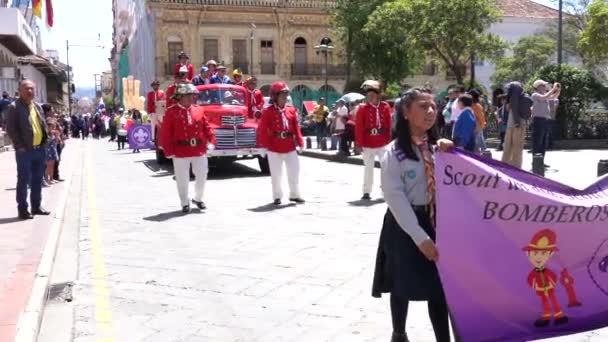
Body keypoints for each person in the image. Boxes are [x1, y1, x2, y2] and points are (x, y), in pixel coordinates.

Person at [371, 88, 454, 342]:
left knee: (439, 288)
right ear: (406, 113)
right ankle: (399, 333)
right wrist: (420, 238)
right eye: (422, 106)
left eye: (433, 106)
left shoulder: (440, 149)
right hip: (404, 224)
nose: (430, 111)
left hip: (435, 220)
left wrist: (452, 153)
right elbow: (395, 198)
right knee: (401, 283)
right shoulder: (393, 152)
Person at [160, 83, 216, 213]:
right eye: (187, 95)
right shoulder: (171, 112)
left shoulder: (198, 110)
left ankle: (198, 198)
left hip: (198, 149)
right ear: (180, 96)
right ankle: (184, 202)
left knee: (202, 174)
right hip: (180, 150)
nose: (191, 98)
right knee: (182, 178)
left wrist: (212, 141)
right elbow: (165, 133)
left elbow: (206, 127)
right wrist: (168, 151)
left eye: (192, 95)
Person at [5, 80, 51, 219]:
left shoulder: (37, 106)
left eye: (32, 88)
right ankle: (23, 209)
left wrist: (46, 139)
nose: (30, 91)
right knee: (24, 180)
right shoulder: (14, 107)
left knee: (37, 179)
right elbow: (11, 129)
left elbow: (42, 125)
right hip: (25, 151)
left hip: (39, 149)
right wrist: (19, 146)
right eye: (26, 89)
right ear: (20, 91)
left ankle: (36, 207)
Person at [257, 81, 305, 206]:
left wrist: (300, 141)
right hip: (274, 147)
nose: (285, 96)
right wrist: (262, 146)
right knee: (276, 175)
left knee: (294, 171)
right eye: (282, 94)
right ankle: (277, 196)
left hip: (289, 145)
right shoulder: (268, 112)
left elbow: (296, 127)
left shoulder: (291, 110)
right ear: (274, 96)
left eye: (286, 94)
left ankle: (295, 195)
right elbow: (262, 129)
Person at [355, 80, 392, 201]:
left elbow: (388, 125)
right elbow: (359, 127)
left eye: (372, 95)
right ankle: (366, 191)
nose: (369, 97)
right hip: (368, 142)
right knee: (368, 168)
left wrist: (389, 141)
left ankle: (384, 191)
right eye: (368, 95)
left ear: (377, 95)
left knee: (385, 168)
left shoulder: (385, 106)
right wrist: (359, 143)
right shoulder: (362, 108)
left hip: (382, 142)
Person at [501, 82, 532, 169]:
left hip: (510, 126)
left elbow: (510, 109)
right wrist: (517, 122)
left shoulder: (510, 99)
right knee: (517, 148)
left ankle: (504, 166)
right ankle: (516, 168)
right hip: (519, 125)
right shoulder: (522, 97)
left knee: (507, 147)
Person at [531, 80, 561, 165]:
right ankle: (535, 161)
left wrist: (558, 90)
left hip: (545, 120)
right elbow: (545, 97)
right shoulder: (535, 95)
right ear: (538, 86)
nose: (545, 87)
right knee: (538, 141)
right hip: (538, 120)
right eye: (543, 86)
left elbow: (553, 97)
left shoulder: (544, 95)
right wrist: (553, 89)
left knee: (544, 142)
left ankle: (541, 161)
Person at [44, 118, 61, 186]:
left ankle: (51, 178)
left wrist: (57, 137)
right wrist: (52, 137)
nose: (52, 127)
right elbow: (46, 143)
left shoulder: (53, 132)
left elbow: (56, 142)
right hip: (47, 150)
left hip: (53, 150)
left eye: (53, 125)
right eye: (50, 125)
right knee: (48, 165)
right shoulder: (45, 133)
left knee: (52, 165)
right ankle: (46, 179)